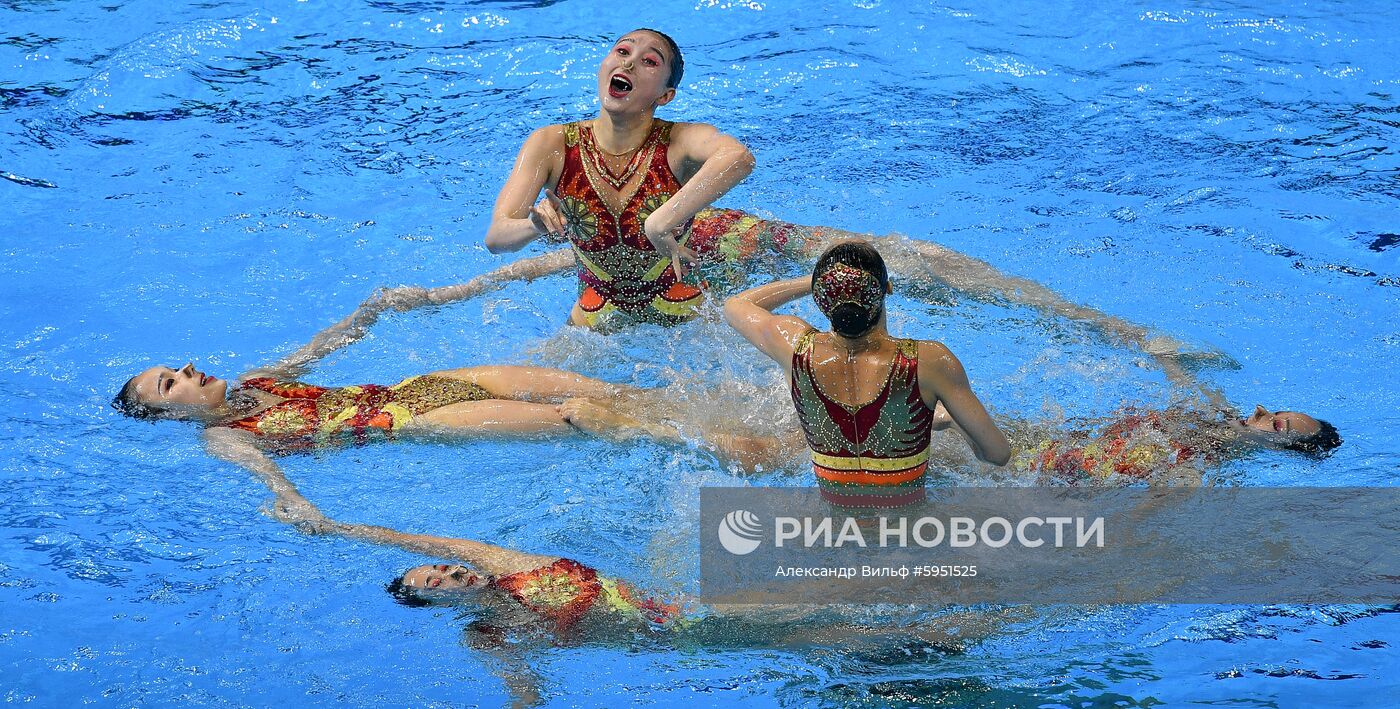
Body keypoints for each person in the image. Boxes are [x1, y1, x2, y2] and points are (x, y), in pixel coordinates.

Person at [110, 252, 764, 521]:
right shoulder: (225, 437)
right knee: (577, 414)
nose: (189, 370)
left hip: (429, 383)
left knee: (592, 385)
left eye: (177, 366)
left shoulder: (257, 380)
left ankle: (748, 409)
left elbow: (321, 346)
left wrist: (371, 310)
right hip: (414, 421)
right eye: (172, 383)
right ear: (170, 416)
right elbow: (272, 483)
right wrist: (298, 506)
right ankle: (732, 447)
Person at [486, 28, 777, 328]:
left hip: (691, 318)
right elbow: (496, 237)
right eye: (622, 52)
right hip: (595, 321)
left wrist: (659, 223)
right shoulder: (553, 144)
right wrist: (533, 226)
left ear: (665, 95)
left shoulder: (677, 141)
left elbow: (738, 157)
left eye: (649, 61)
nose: (628, 64)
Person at [725, 241, 1012, 507]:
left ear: (820, 296)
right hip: (909, 532)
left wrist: (812, 282)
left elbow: (736, 305)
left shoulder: (793, 347)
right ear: (887, 289)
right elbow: (997, 455)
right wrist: (950, 421)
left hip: (831, 532)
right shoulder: (929, 361)